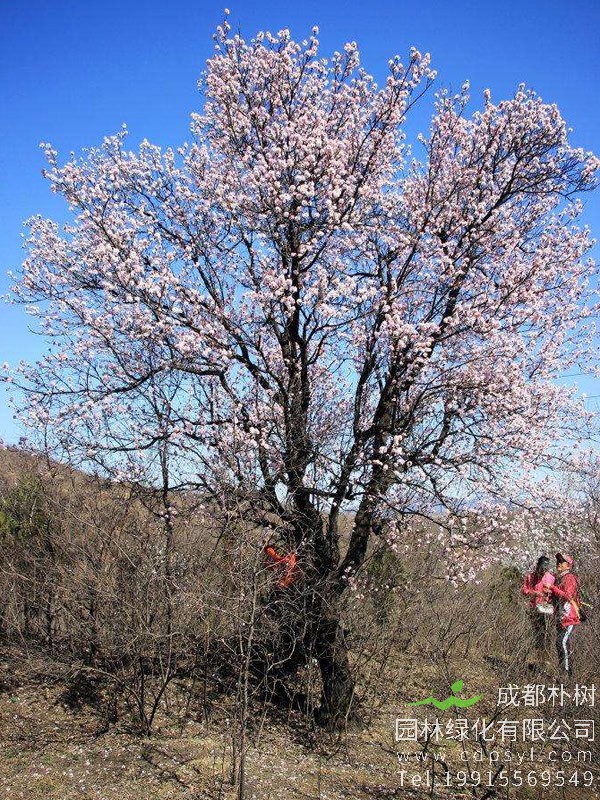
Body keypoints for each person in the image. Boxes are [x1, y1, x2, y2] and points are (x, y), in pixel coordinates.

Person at [551, 552, 582, 676]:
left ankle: (565, 672)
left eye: (561, 562)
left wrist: (553, 588)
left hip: (569, 616)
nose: (558, 563)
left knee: (561, 642)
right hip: (561, 616)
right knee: (562, 643)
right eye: (558, 561)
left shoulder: (569, 578)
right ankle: (568, 674)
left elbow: (568, 595)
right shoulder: (560, 578)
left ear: (568, 565)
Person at [521, 555, 556, 655]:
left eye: (545, 569)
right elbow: (524, 590)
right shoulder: (530, 577)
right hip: (534, 608)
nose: (543, 571)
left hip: (546, 610)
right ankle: (537, 654)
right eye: (541, 568)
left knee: (546, 633)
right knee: (536, 632)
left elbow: (555, 594)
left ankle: (545, 656)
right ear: (537, 566)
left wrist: (549, 592)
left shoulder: (551, 578)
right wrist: (533, 593)